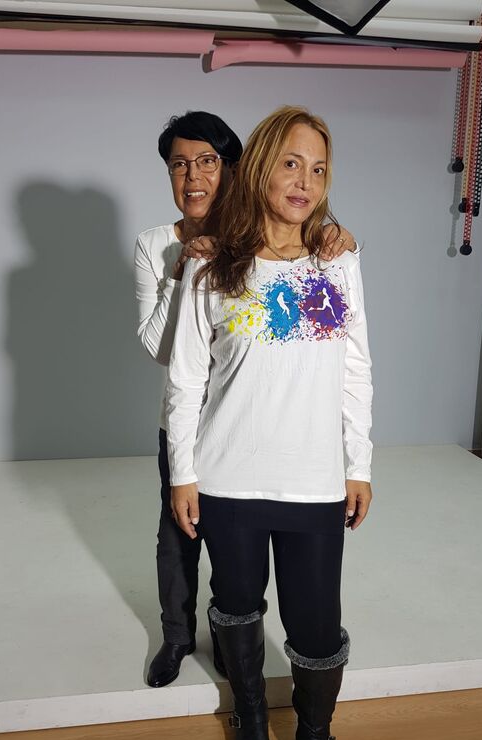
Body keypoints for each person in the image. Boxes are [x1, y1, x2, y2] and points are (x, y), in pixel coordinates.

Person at [166, 107, 373, 740]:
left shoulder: (337, 260)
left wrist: (359, 463)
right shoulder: (211, 263)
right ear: (258, 167)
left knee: (316, 628)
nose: (305, 181)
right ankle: (251, 715)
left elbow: (356, 369)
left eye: (318, 169)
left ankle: (314, 738)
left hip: (313, 482)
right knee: (236, 605)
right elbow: (185, 380)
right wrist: (183, 473)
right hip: (229, 479)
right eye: (291, 163)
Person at [135, 110, 357, 689]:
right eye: (179, 164)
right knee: (179, 539)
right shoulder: (166, 247)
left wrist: (332, 242)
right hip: (197, 427)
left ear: (235, 169)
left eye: (207, 161)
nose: (193, 176)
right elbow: (165, 354)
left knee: (248, 570)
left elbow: (347, 358)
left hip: (267, 442)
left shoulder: (297, 245)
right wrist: (186, 270)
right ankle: (178, 639)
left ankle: (238, 648)